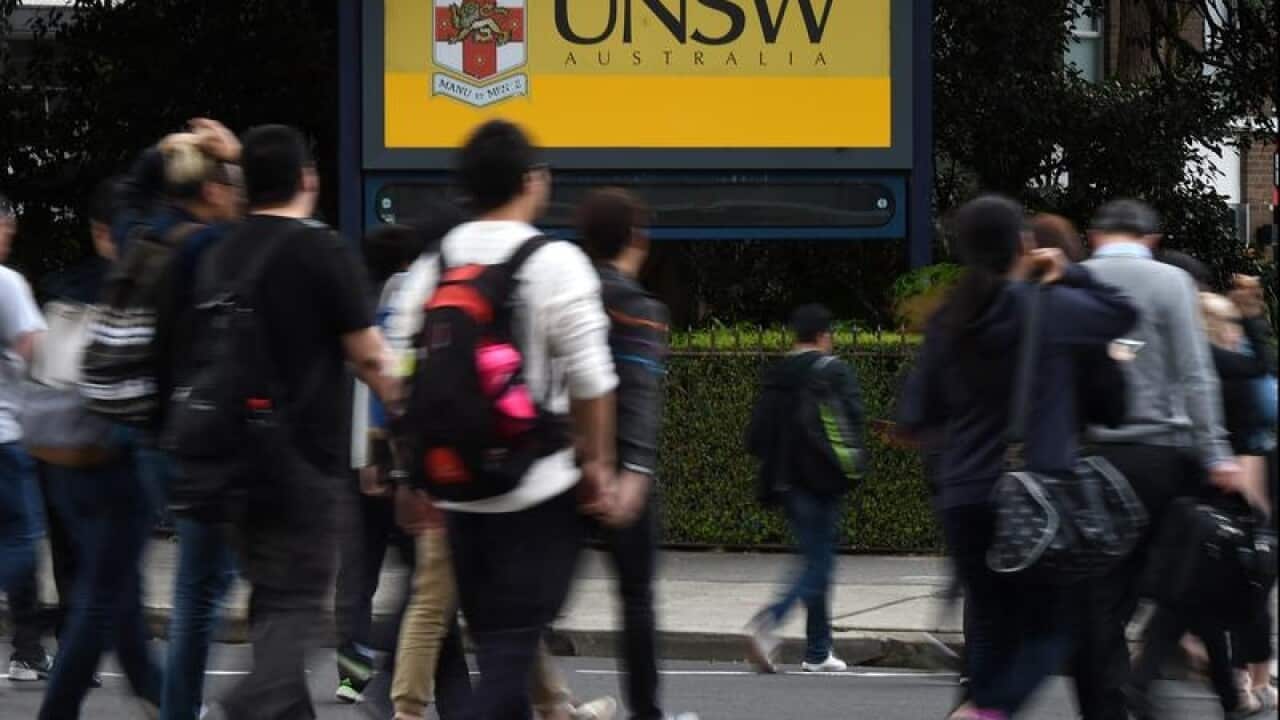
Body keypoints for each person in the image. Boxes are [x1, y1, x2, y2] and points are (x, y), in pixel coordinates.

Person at [387, 119, 618, 720]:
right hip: (538, 493)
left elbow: (399, 375)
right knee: (513, 648)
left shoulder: (435, 264)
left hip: (459, 496)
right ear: (529, 181)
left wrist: (410, 475)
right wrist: (595, 463)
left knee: (501, 652)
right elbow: (593, 379)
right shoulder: (555, 261)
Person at [902, 195, 1137, 720]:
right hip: (1036, 496)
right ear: (1023, 244)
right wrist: (1068, 273)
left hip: (963, 494)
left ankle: (980, 703)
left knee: (990, 624)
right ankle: (981, 713)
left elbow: (918, 413)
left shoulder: (949, 320)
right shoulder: (1047, 308)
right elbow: (1123, 313)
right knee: (1055, 628)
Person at [200, 125, 393, 720]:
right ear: (308, 179)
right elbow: (369, 357)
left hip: (231, 464)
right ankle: (235, 708)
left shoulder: (222, 250)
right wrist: (410, 404)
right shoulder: (319, 249)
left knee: (270, 603)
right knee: (293, 613)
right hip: (303, 465)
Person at [1071, 199, 1241, 720]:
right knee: (1176, 579)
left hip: (1096, 454)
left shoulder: (1074, 280)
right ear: (1151, 238)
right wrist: (1216, 452)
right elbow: (1195, 374)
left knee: (1099, 592)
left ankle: (1110, 696)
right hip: (1164, 456)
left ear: (1096, 235)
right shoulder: (1171, 283)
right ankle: (1147, 686)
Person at [578, 188, 703, 720]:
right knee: (636, 601)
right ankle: (645, 712)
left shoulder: (569, 297)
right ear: (636, 239)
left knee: (536, 599)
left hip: (567, 467)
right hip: (624, 478)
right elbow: (640, 395)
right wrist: (633, 468)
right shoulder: (642, 309)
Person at [148, 121, 245, 720]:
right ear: (212, 191)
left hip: (169, 433)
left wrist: (165, 155)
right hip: (214, 437)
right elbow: (264, 226)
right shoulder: (210, 247)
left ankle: (178, 708)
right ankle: (182, 708)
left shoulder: (154, 237)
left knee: (196, 588)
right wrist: (234, 156)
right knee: (210, 587)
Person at [334, 222, 429, 705]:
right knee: (420, 576)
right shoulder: (405, 299)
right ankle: (398, 668)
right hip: (389, 457)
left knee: (358, 573)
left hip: (353, 461)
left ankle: (351, 675)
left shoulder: (354, 304)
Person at [744, 303, 866, 675]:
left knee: (815, 558)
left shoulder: (779, 373)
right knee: (820, 562)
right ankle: (769, 622)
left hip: (786, 482)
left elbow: (755, 437)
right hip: (823, 481)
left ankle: (818, 650)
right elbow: (854, 420)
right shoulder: (833, 372)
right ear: (824, 336)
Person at [0, 194, 50, 684]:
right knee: (20, 541)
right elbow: (37, 351)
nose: (10, 238)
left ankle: (29, 648)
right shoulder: (7, 283)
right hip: (6, 436)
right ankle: (28, 650)